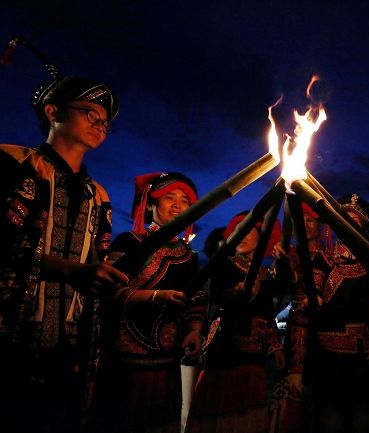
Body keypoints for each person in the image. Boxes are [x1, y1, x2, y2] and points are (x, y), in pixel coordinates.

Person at [0, 39, 128, 433]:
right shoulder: (12, 163)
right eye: (90, 113)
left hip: (68, 345)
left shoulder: (98, 195)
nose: (100, 125)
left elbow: (98, 261)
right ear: (53, 111)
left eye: (105, 121)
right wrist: (67, 269)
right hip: (10, 333)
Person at [89, 172, 206, 433]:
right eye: (169, 198)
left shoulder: (188, 255)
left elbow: (196, 298)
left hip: (168, 357)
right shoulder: (129, 242)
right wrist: (156, 297)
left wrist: (195, 330)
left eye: (185, 200)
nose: (177, 205)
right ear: (151, 205)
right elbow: (110, 292)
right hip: (126, 357)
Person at [186, 210, 285, 433]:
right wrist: (235, 294)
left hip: (255, 356)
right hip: (226, 348)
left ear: (262, 238)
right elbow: (219, 297)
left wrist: (275, 347)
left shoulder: (265, 275)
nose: (242, 236)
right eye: (238, 231)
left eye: (249, 232)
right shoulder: (223, 265)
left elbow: (267, 314)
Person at [301, 193, 369, 433]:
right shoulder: (323, 259)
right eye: (344, 219)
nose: (349, 224)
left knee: (364, 419)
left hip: (367, 355)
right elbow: (314, 286)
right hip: (329, 357)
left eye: (355, 220)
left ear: (365, 226)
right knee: (331, 419)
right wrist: (313, 297)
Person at [269, 202, 328, 433]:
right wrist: (280, 262)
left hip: (329, 328)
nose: (305, 224)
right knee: (294, 392)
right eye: (300, 219)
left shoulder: (332, 256)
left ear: (320, 225)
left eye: (310, 219)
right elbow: (277, 287)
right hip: (299, 330)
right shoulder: (289, 254)